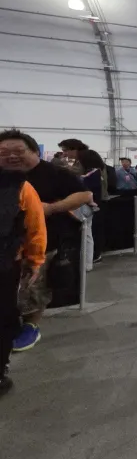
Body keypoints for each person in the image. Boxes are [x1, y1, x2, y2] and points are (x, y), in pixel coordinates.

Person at [0, 130, 91, 352]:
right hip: (6, 249)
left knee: (34, 288)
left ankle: (31, 326)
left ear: (34, 151)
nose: (11, 156)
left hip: (45, 240)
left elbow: (84, 195)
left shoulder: (55, 173)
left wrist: (51, 208)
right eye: (4, 152)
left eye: (18, 151)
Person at [0, 170, 47, 397]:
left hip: (7, 262)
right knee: (4, 316)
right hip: (6, 263)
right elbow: (35, 225)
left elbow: (34, 224)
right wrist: (34, 260)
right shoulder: (19, 186)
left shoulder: (19, 186)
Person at [78, 149, 107, 265]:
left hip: (91, 206)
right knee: (89, 234)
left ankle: (90, 260)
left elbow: (88, 188)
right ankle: (89, 261)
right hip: (93, 205)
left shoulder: (94, 173)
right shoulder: (97, 172)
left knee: (89, 235)